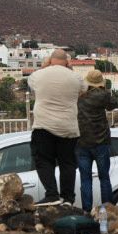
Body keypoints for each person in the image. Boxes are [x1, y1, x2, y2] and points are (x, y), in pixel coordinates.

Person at [27, 51, 82, 204]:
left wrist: (45, 66)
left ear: (51, 60)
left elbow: (31, 84)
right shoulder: (75, 78)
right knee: (68, 163)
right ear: (67, 62)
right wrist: (69, 70)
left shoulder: (38, 76)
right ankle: (68, 197)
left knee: (44, 161)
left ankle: (52, 194)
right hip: (68, 128)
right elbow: (82, 90)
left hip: (43, 126)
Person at [75, 69, 117, 210]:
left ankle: (87, 210)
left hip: (82, 142)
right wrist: (105, 90)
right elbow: (113, 105)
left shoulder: (80, 95)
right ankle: (107, 208)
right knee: (104, 178)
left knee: (85, 179)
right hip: (101, 141)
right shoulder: (103, 95)